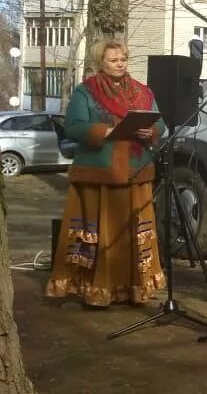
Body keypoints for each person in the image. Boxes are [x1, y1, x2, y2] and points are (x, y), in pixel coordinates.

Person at [46, 42, 166, 307]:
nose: (120, 64)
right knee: (102, 232)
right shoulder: (85, 91)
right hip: (99, 173)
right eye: (113, 60)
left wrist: (152, 131)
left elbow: (160, 123)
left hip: (136, 172)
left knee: (132, 232)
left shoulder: (142, 91)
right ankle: (96, 289)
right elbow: (73, 127)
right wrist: (106, 132)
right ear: (101, 62)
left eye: (123, 59)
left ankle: (135, 288)